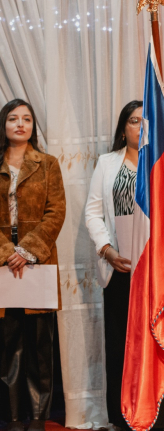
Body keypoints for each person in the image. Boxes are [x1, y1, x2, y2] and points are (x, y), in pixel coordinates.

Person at [84, 100, 164, 430]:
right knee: (122, 345)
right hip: (121, 270)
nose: (140, 126)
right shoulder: (107, 163)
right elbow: (93, 212)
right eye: (133, 121)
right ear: (123, 129)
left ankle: (158, 419)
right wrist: (106, 249)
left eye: (145, 120)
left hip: (160, 271)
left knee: (158, 344)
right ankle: (122, 419)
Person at [0, 99, 67, 431]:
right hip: (2, 266)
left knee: (40, 347)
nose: (20, 124)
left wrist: (27, 250)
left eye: (26, 119)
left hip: (38, 264)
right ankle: (13, 418)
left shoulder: (48, 164)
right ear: (4, 125)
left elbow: (56, 212)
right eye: (13, 118)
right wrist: (6, 252)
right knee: (7, 345)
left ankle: (38, 418)